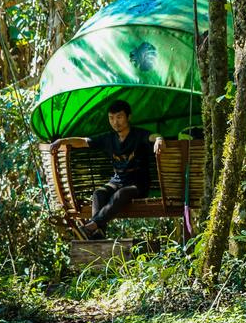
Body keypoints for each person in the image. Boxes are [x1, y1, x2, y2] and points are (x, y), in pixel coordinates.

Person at [53, 100, 164, 239]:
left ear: (128, 117)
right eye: (111, 118)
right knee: (99, 194)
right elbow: (84, 141)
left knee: (121, 194)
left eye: (119, 117)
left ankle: (92, 226)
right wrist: (62, 141)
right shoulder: (108, 138)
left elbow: (152, 136)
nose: (115, 122)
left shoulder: (138, 134)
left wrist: (159, 139)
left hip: (138, 184)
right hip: (117, 180)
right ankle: (98, 232)